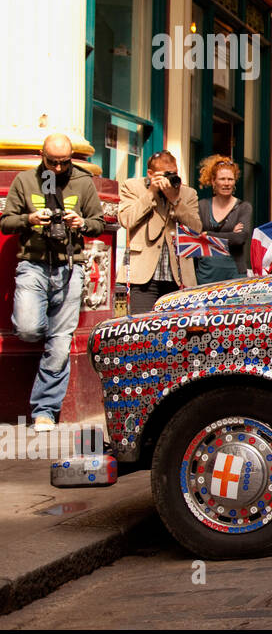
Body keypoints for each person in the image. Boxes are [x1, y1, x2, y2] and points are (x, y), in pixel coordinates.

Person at [1, 133, 105, 428]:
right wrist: (29, 220)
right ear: (41, 155)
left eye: (64, 162)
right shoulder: (25, 181)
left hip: (69, 267)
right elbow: (6, 222)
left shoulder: (83, 183)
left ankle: (44, 410)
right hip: (32, 265)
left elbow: (100, 223)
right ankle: (53, 335)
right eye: (52, 162)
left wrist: (81, 223)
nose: (58, 169)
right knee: (29, 327)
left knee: (60, 343)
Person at [119, 150, 202, 313]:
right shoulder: (132, 187)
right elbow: (126, 220)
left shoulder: (188, 193)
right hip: (142, 276)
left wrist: (175, 201)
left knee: (174, 332)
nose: (170, 178)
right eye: (165, 174)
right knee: (140, 329)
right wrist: (151, 193)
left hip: (178, 276)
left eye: (174, 173)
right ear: (150, 174)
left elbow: (196, 229)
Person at [196, 155, 252, 279]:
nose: (226, 183)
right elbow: (196, 237)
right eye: (222, 179)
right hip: (206, 272)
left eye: (230, 179)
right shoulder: (202, 206)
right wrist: (230, 234)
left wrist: (208, 235)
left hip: (234, 272)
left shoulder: (244, 207)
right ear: (213, 181)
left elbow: (239, 239)